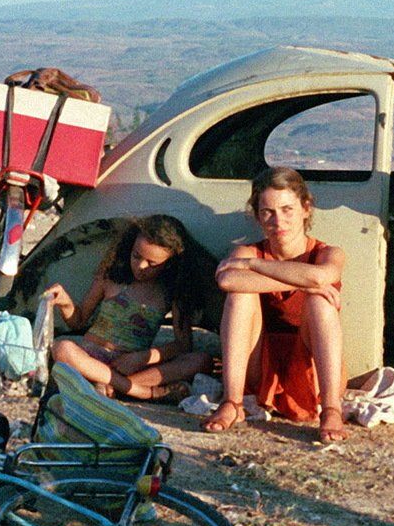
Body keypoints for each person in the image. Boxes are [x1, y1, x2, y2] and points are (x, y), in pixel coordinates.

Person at [203, 167, 349, 443]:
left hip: (309, 369)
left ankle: (331, 409)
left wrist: (255, 266)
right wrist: (302, 282)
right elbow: (227, 280)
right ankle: (232, 402)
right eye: (267, 212)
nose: (277, 220)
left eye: (287, 209)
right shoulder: (248, 250)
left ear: (306, 209)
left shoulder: (327, 253)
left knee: (320, 302)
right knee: (240, 294)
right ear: (257, 216)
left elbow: (320, 277)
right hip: (260, 366)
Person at [44, 214, 211, 401]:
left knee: (201, 360)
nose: (140, 266)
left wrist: (142, 357)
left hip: (130, 366)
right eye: (136, 256)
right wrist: (65, 303)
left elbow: (183, 345)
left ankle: (110, 386)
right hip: (91, 358)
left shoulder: (170, 292)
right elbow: (79, 320)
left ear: (170, 264)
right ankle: (140, 391)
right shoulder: (111, 277)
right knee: (62, 348)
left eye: (152, 263)